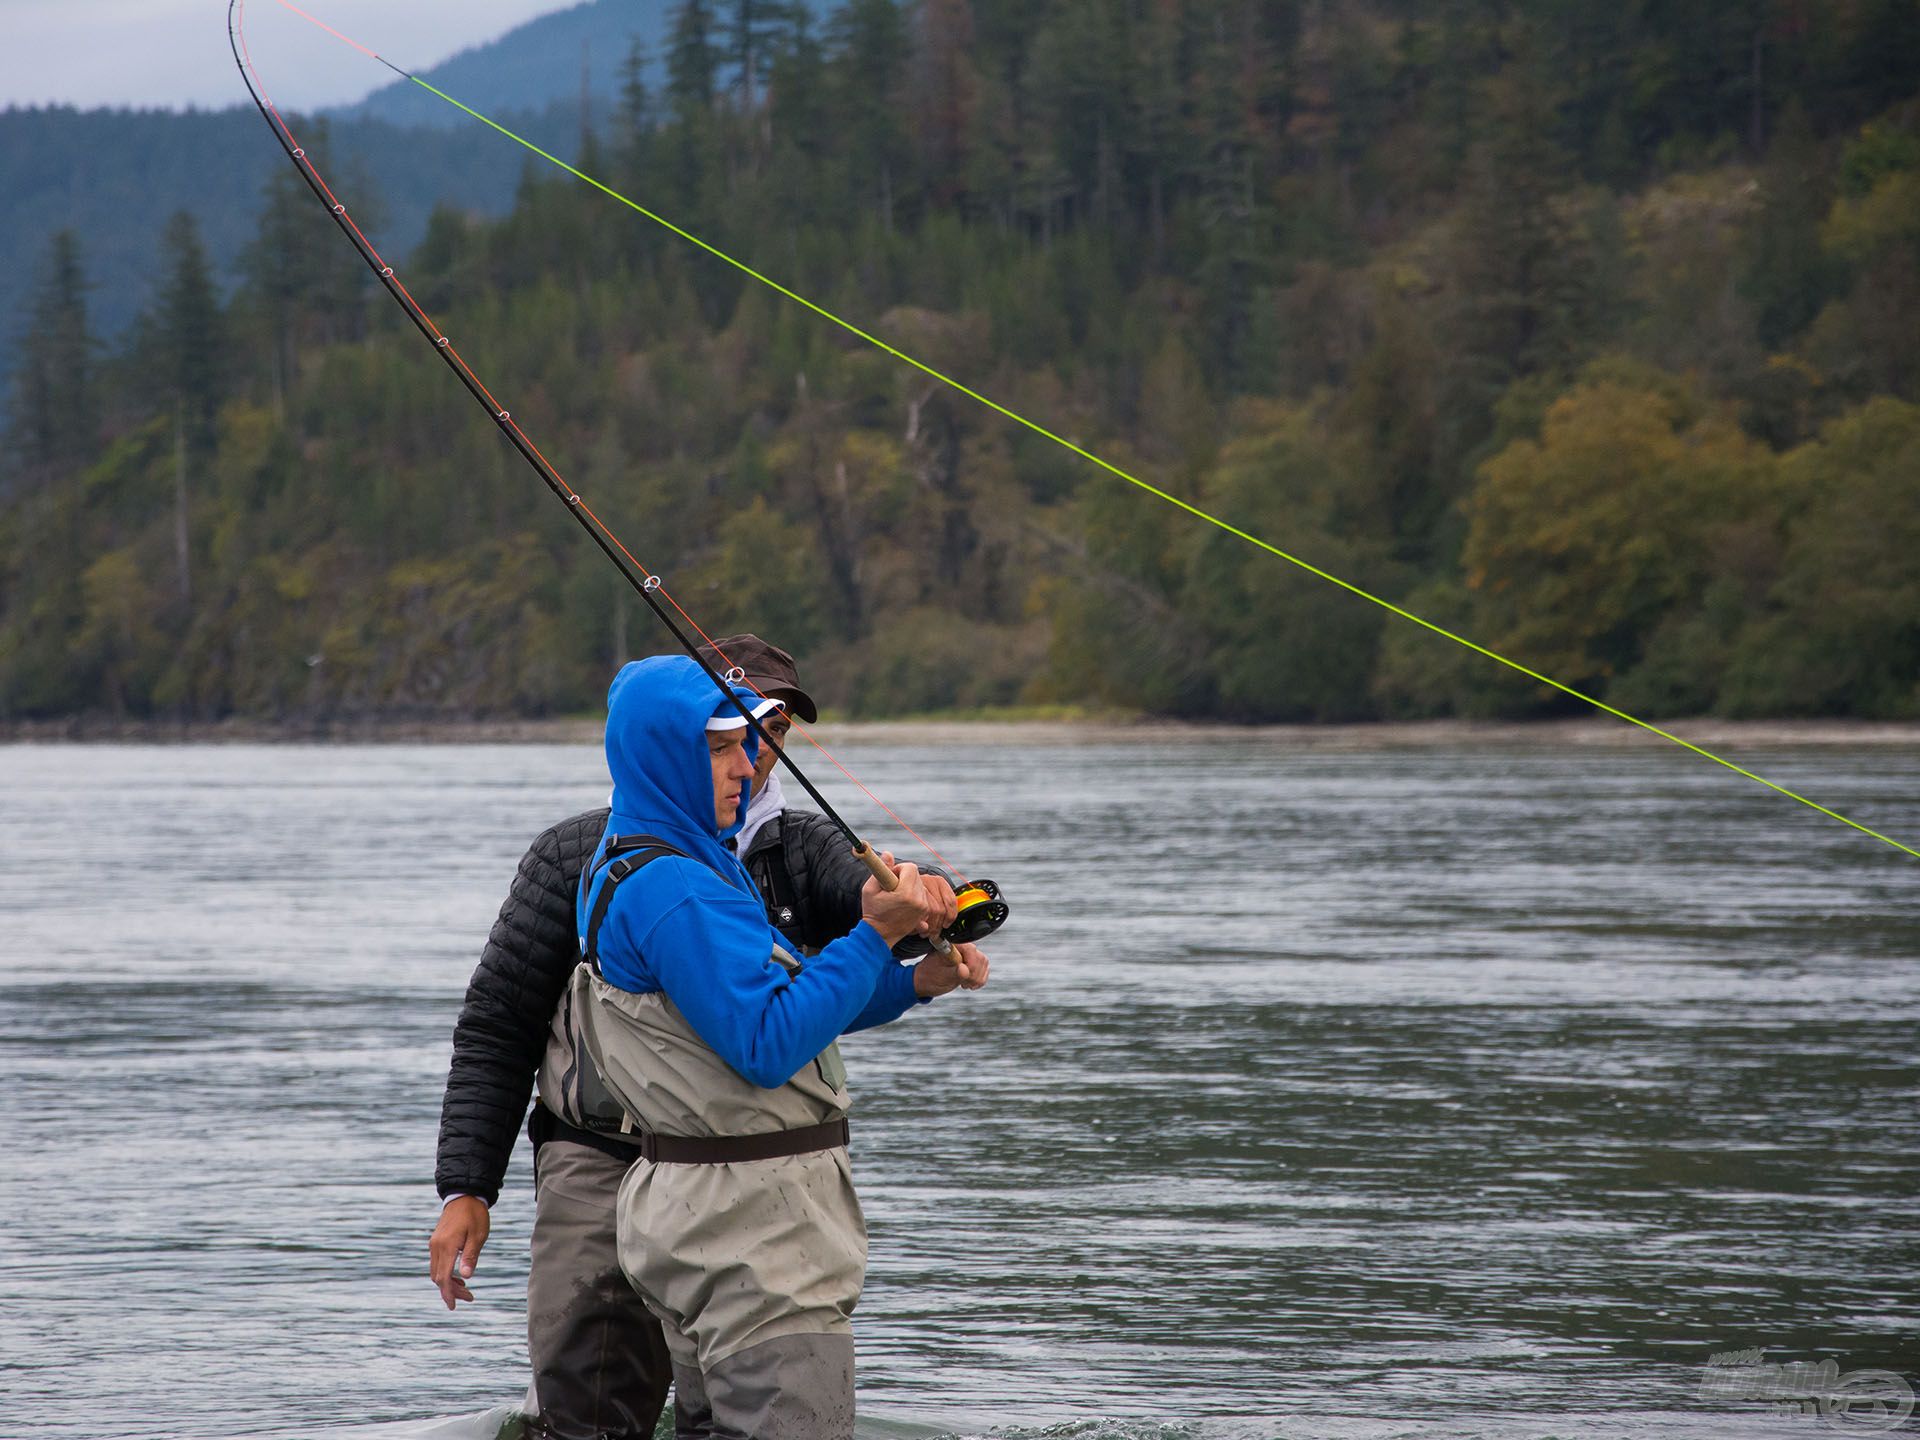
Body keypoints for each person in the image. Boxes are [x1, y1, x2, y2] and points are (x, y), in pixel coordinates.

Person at [429, 635, 984, 1440]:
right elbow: (499, 1028)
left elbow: (811, 967)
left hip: (698, 1198)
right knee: (587, 1416)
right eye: (726, 740)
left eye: (768, 735)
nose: (753, 758)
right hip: (623, 1174)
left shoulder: (777, 852)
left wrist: (911, 965)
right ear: (672, 745)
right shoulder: (618, 867)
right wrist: (468, 1186)